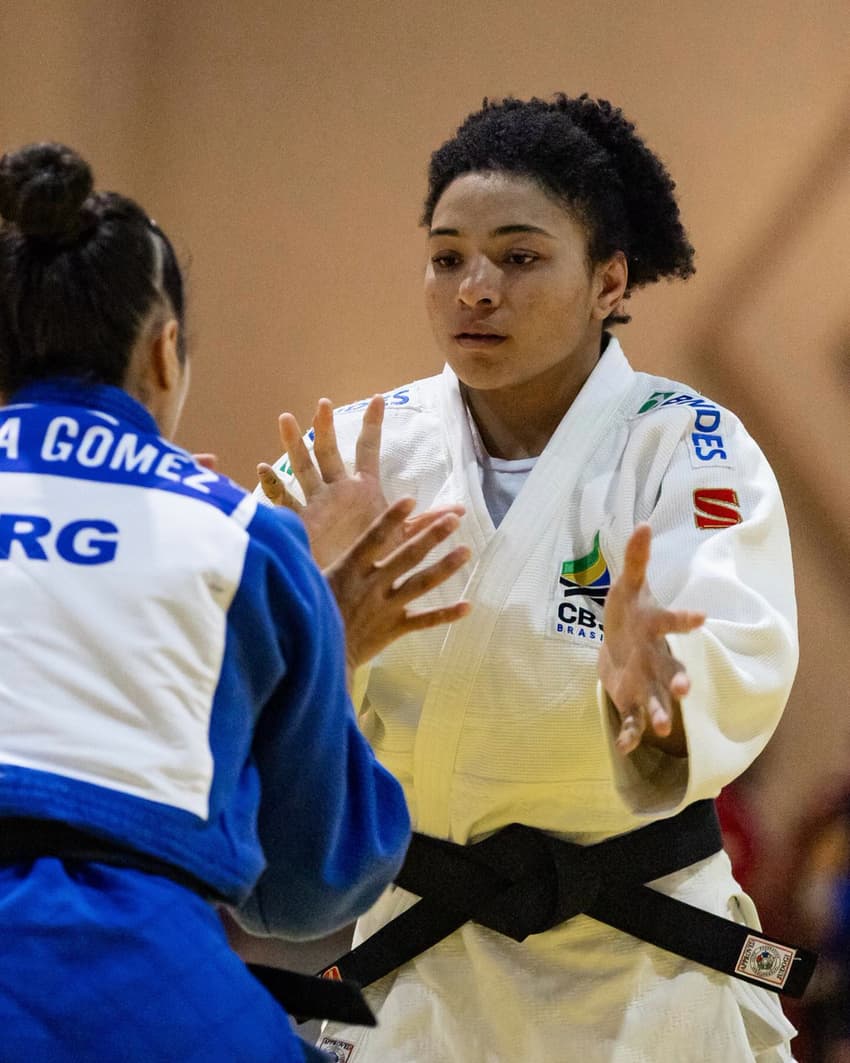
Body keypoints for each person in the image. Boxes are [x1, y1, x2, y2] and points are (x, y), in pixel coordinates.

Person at [258, 94, 804, 1062]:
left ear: (608, 280)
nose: (475, 288)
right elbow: (259, 721)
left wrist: (655, 697)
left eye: (517, 257)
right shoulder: (360, 457)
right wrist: (317, 634)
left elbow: (736, 643)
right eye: (447, 257)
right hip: (425, 965)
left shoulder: (685, 446)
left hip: (642, 972)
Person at [0, 142, 472, 1063]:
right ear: (164, 351)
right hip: (122, 969)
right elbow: (309, 885)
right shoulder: (241, 537)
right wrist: (326, 639)